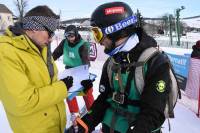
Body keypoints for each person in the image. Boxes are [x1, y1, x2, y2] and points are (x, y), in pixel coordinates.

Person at [74, 2, 173, 133]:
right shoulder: (112, 62)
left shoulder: (155, 62)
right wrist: (85, 123)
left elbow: (153, 113)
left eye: (97, 33)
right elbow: (105, 99)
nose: (99, 41)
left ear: (116, 31)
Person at [0, 6, 74, 133]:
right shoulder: (5, 52)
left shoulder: (42, 47)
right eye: (50, 32)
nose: (51, 38)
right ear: (34, 27)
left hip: (55, 125)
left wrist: (76, 86)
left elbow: (50, 83)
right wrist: (63, 87)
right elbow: (22, 103)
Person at [52, 25, 94, 123]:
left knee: (86, 90)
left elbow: (86, 62)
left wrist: (84, 76)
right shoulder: (64, 43)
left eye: (71, 36)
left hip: (81, 70)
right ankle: (74, 114)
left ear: (76, 34)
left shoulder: (83, 45)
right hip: (69, 70)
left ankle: (93, 112)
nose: (70, 39)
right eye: (67, 36)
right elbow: (56, 53)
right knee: (68, 91)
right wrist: (49, 61)